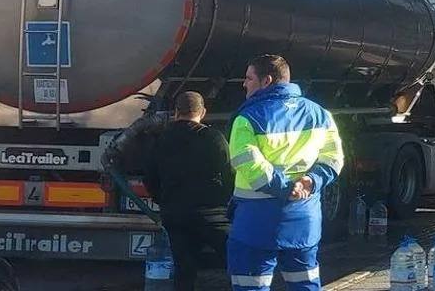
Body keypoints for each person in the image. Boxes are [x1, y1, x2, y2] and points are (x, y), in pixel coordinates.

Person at [227, 55, 343, 291]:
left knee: (251, 285)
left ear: (266, 80)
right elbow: (334, 158)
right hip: (304, 220)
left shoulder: (247, 118)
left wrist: (286, 188)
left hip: (257, 221)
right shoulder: (320, 114)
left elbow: (247, 162)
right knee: (304, 284)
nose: (244, 83)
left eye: (249, 78)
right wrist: (311, 182)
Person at [143, 91, 234, 291]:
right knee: (236, 264)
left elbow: (149, 178)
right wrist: (222, 203)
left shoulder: (160, 140)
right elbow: (229, 176)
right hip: (212, 215)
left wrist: (164, 201)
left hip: (175, 214)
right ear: (203, 112)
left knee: (184, 271)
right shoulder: (213, 138)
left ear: (176, 112)